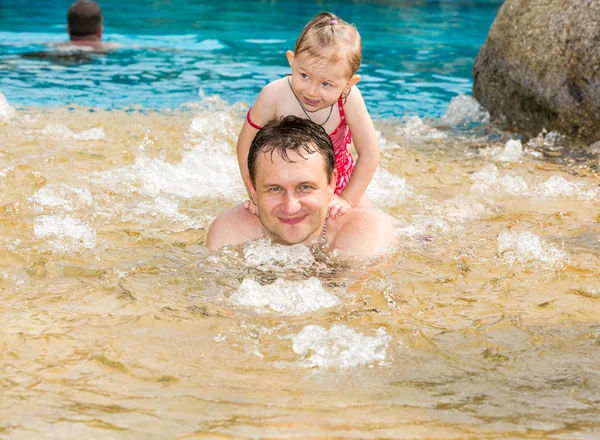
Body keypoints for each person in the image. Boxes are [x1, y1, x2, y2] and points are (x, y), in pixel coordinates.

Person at [237, 12, 380, 219]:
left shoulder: (349, 98)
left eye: (326, 84)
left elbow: (370, 153)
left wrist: (347, 199)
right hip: (284, 179)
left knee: (368, 226)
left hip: (337, 181)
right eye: (304, 75)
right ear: (292, 61)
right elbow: (245, 146)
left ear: (348, 83)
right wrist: (255, 194)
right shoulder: (274, 95)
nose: (312, 91)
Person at [207, 116, 395, 259]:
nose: (290, 207)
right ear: (253, 189)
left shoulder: (365, 232)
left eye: (304, 187)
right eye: (275, 189)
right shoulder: (230, 232)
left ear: (331, 183)